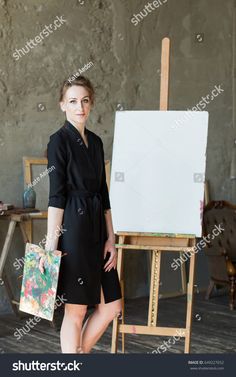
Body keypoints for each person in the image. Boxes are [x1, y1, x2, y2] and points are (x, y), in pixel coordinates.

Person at [40, 76, 122, 353]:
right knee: (75, 312)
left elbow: (104, 192)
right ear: (63, 105)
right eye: (73, 101)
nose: (80, 107)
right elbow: (56, 198)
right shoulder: (58, 142)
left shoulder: (97, 143)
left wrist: (112, 238)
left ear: (91, 103)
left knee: (111, 306)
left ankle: (75, 359)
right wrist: (51, 247)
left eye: (85, 101)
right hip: (73, 229)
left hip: (98, 226)